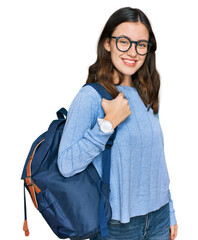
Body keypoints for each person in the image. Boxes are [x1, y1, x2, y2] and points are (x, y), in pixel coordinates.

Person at [57, 6, 178, 240]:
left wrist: (170, 210)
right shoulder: (91, 97)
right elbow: (66, 164)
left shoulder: (146, 93)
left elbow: (156, 160)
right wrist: (107, 124)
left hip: (160, 218)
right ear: (107, 43)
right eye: (124, 41)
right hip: (118, 227)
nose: (132, 52)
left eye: (141, 44)